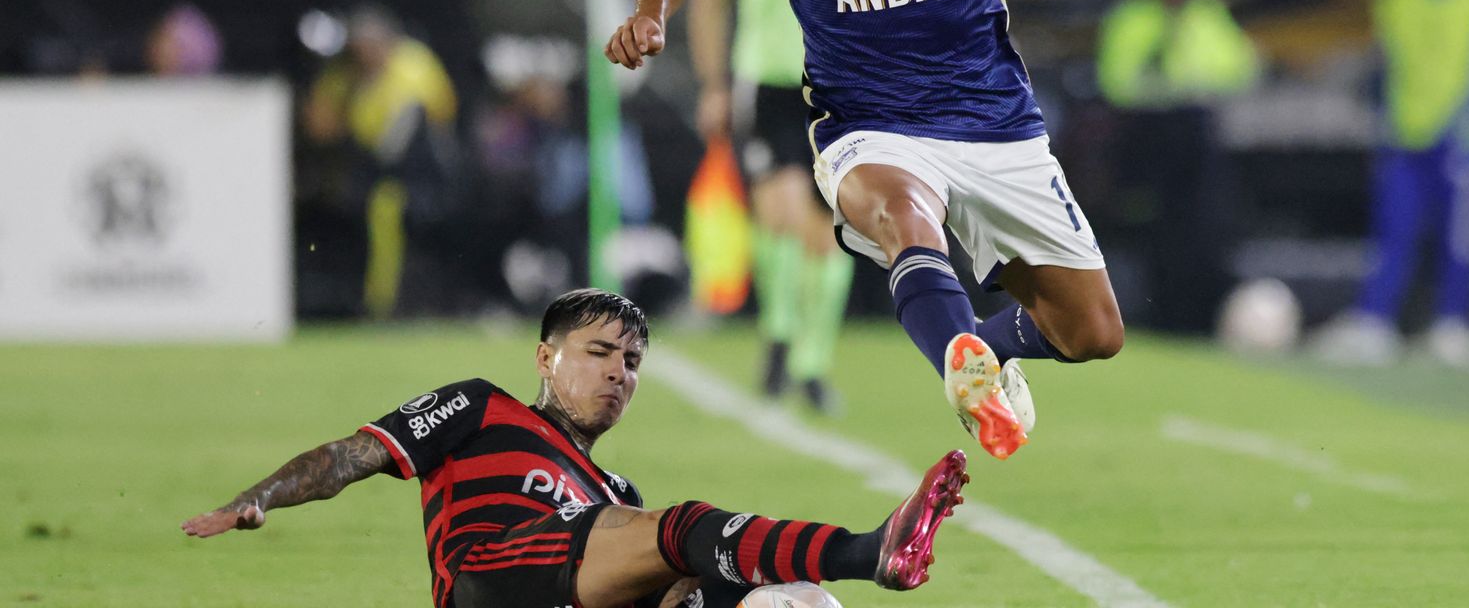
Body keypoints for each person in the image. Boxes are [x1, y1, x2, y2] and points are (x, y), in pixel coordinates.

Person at [605, 0, 1351, 459]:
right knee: (905, 217)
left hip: (995, 124)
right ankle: (956, 363)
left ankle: (985, 350)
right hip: (868, 124)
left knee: (1092, 331)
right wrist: (651, 14)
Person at [182, 289, 969, 608]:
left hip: (568, 589)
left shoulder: (612, 490)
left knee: (788, 599)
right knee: (681, 530)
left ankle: (843, 571)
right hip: (488, 580)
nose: (617, 374)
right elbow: (349, 456)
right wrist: (260, 496)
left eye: (631, 362)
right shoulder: (479, 407)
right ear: (545, 357)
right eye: (598, 353)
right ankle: (870, 550)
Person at [688, 0, 856, 412]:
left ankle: (813, 363)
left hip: (838, 83)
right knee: (780, 213)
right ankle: (780, 337)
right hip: (769, 81)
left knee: (828, 230)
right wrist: (713, 83)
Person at [1313, 0, 1469, 367]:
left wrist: (1465, 129)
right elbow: (1383, 67)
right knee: (1392, 232)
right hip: (1403, 137)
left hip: (1463, 139)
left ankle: (1453, 324)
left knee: (1460, 237)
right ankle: (1375, 324)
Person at [1097, 0, 1258, 332]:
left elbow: (1240, 67)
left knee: (1202, 226)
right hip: (1148, 132)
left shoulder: (1206, 16)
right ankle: (1154, 314)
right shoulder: (1133, 18)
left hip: (1195, 131)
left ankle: (1197, 316)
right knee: (1153, 228)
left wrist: (1189, 65)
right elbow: (1117, 81)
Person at [304, 5, 459, 318]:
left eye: (372, 46)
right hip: (362, 171)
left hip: (417, 171)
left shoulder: (413, 65)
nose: (366, 55)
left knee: (387, 213)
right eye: (359, 48)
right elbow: (319, 128)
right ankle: (370, 302)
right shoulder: (344, 75)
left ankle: (384, 304)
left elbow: (437, 116)